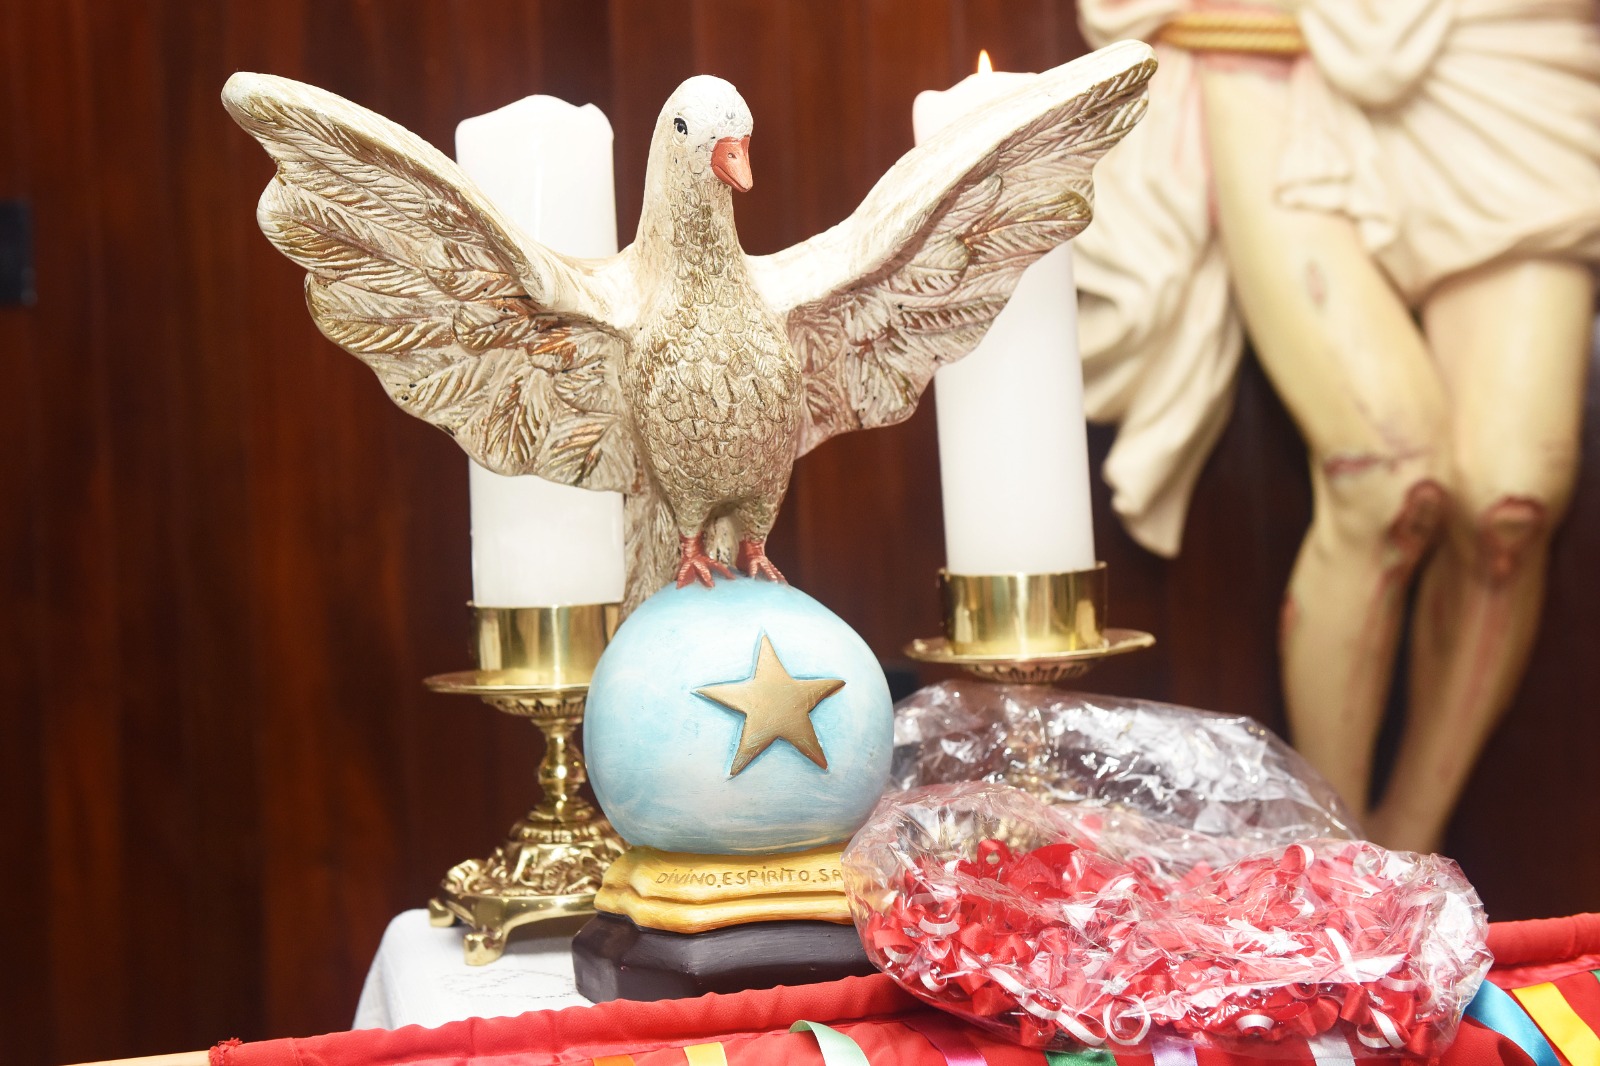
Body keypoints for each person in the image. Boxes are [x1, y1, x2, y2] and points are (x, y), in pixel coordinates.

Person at [1074, 0, 1600, 852]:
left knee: (1512, 505)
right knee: (1390, 479)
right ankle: (1339, 863)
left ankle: (1408, 849)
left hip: (1515, 54)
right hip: (1277, 43)